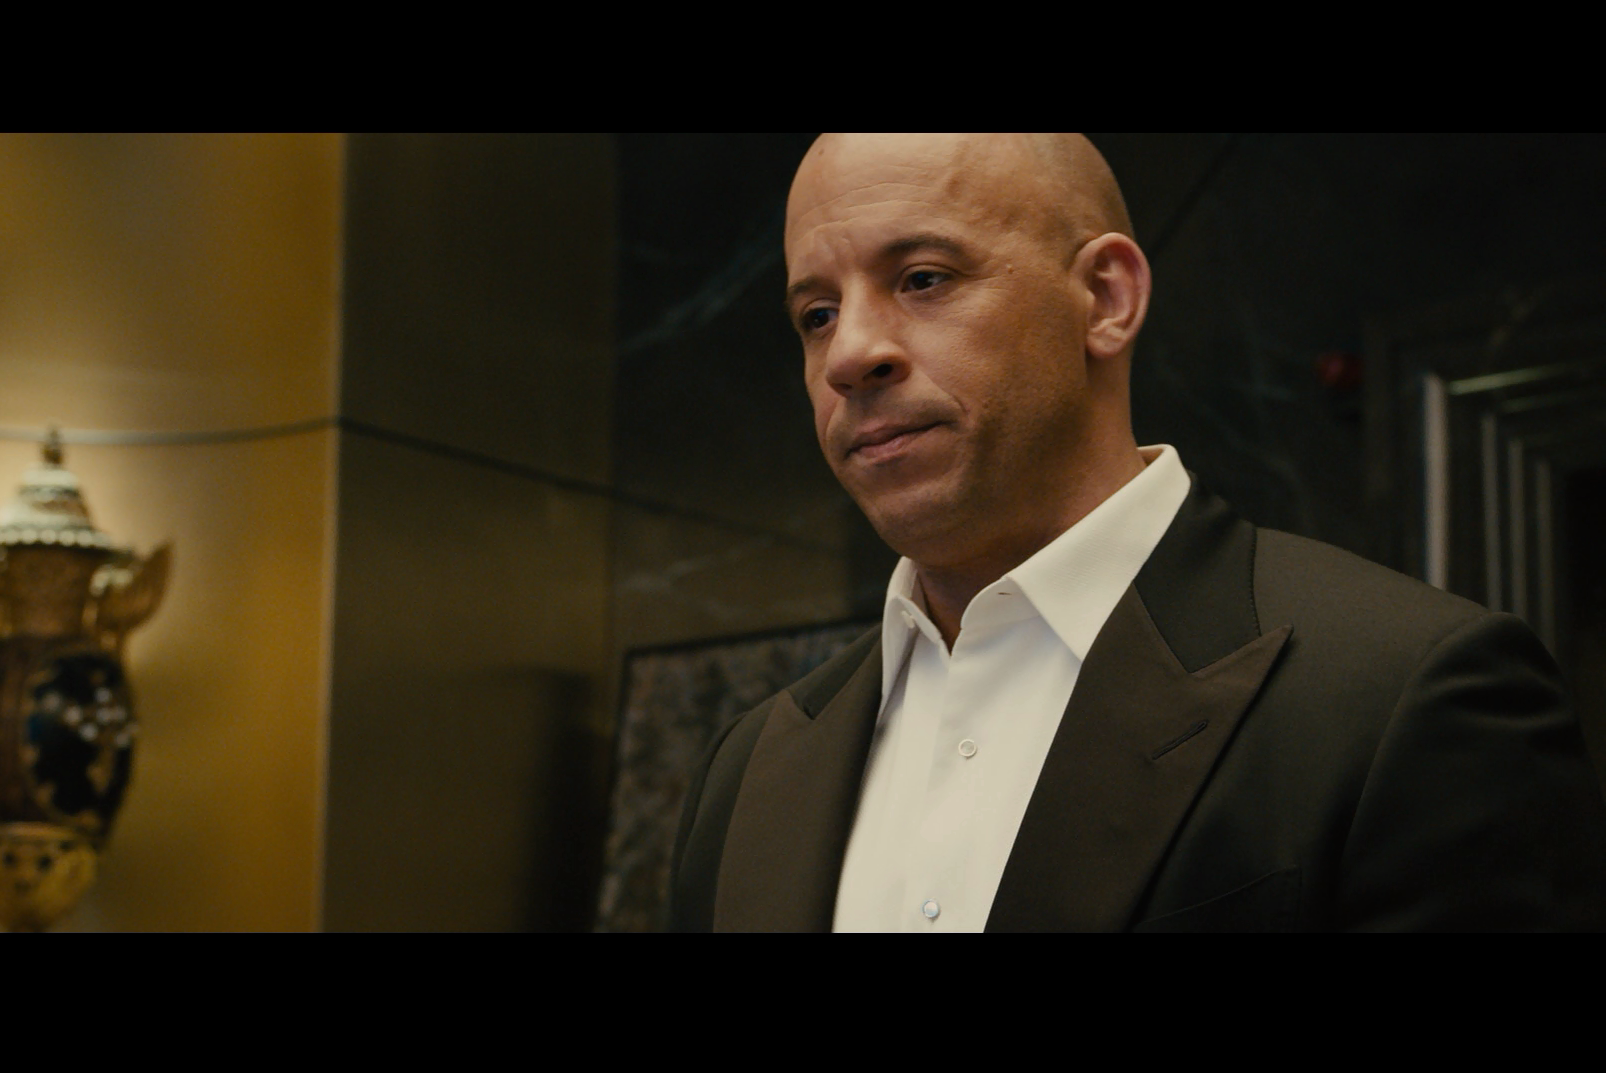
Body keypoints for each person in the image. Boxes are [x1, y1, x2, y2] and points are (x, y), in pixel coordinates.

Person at [666, 133, 1606, 931]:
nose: (849, 353)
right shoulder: (749, 772)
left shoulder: (1409, 697)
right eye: (817, 314)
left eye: (923, 278)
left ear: (1107, 298)